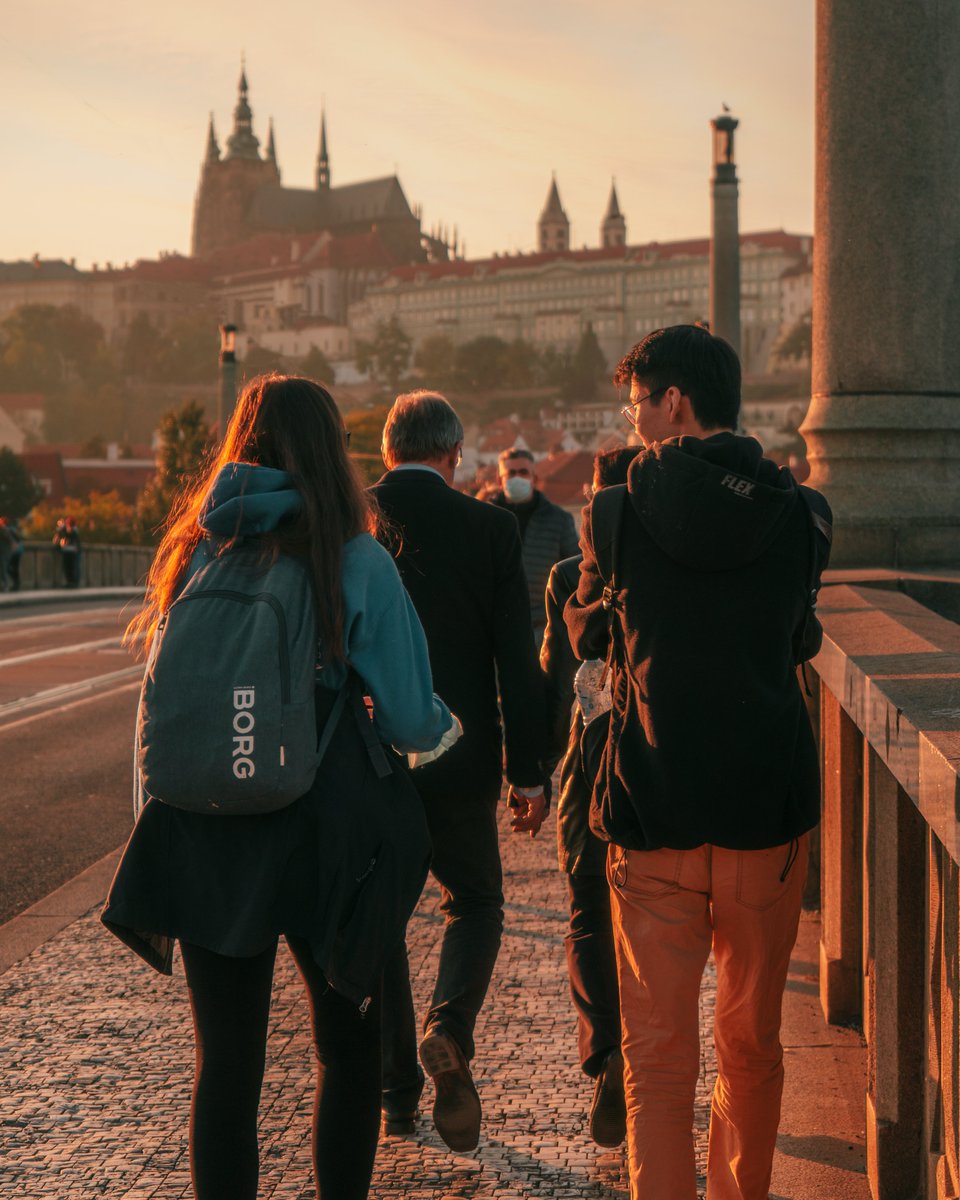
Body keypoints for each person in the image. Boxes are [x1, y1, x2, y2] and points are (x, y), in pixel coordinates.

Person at [102, 374, 458, 1200]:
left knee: (225, 1066)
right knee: (346, 1048)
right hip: (323, 832)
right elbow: (408, 717)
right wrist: (448, 731)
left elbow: (164, 704)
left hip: (205, 832)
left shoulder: (195, 549)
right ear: (331, 449)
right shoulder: (353, 554)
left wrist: (165, 815)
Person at [565, 325, 831, 1200]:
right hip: (765, 809)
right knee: (751, 1043)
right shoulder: (802, 513)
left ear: (675, 401)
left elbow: (594, 633)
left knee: (658, 1056)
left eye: (639, 400)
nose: (635, 419)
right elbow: (798, 636)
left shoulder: (612, 510)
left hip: (654, 806)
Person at [372, 391, 549, 1153]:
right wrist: (530, 772)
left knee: (380, 924)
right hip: (463, 755)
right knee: (474, 903)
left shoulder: (356, 522)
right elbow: (519, 658)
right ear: (455, 455)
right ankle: (450, 1025)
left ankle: (396, 1096)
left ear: (388, 451)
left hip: (373, 761)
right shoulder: (489, 527)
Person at [540, 446, 638, 1149]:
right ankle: (640, 1056)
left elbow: (553, 673)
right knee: (653, 912)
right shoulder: (661, 569)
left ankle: (606, 1049)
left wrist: (533, 774)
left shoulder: (569, 578)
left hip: (586, 764)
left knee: (586, 909)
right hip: (654, 765)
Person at [490, 446, 578, 644]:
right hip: (495, 624)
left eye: (523, 472)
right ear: (499, 480)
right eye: (510, 473)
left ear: (534, 478)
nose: (517, 478)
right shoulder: (485, 519)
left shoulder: (558, 519)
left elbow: (574, 570)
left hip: (542, 625)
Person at [53, 515, 81, 586]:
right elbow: (55, 541)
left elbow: (56, 540)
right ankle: (70, 582)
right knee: (68, 567)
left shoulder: (73, 531)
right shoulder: (65, 530)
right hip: (68, 551)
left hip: (70, 551)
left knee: (70, 567)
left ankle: (72, 582)